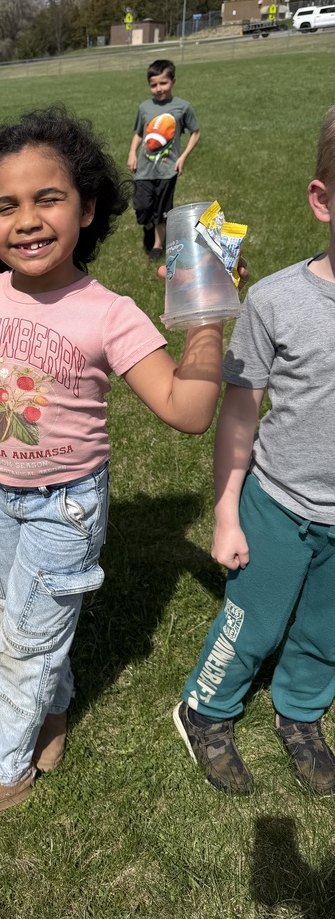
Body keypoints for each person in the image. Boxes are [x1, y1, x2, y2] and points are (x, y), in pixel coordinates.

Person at [0, 106, 226, 823]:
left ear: (89, 206)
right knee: (11, 617)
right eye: (5, 205)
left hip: (64, 507)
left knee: (25, 642)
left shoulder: (108, 312)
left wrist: (206, 319)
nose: (27, 219)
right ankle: (50, 710)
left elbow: (186, 409)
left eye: (48, 198)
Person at [174, 107, 335, 797]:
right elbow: (238, 413)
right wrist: (227, 511)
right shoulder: (276, 301)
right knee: (254, 621)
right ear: (322, 199)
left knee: (328, 630)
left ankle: (300, 712)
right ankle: (204, 710)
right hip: (277, 502)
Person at [127, 58, 200, 263]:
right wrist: (132, 153)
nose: (158, 89)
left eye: (163, 83)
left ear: (173, 81)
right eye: (153, 85)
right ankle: (147, 227)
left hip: (168, 169)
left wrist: (183, 157)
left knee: (163, 210)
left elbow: (195, 132)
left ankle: (158, 245)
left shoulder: (182, 107)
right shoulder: (144, 108)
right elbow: (139, 134)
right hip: (144, 168)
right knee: (142, 207)